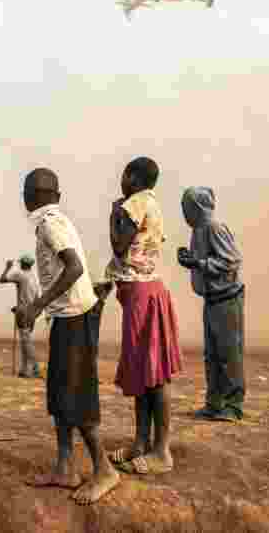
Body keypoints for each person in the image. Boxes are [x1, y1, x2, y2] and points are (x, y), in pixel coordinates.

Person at [17, 168, 119, 506]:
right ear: (55, 195)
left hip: (74, 317)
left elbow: (73, 267)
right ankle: (64, 467)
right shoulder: (56, 220)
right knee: (60, 394)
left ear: (29, 196)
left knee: (75, 395)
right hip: (68, 316)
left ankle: (104, 470)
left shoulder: (50, 223)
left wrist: (35, 306)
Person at [104, 157, 183, 476]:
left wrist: (114, 214)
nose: (120, 180)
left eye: (123, 175)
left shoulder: (134, 203)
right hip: (145, 292)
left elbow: (119, 245)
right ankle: (141, 442)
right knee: (144, 374)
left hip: (142, 294)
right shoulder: (151, 203)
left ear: (133, 177)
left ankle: (161, 451)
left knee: (155, 377)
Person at [178, 186, 246, 422]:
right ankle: (215, 404)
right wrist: (192, 261)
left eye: (185, 207)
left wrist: (199, 263)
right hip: (213, 299)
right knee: (213, 355)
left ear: (196, 207)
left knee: (229, 354)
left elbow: (231, 261)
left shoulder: (214, 228)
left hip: (227, 298)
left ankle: (233, 406)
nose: (183, 212)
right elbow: (205, 262)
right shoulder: (198, 230)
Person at [0, 254, 42, 378]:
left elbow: (2, 279)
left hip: (23, 311)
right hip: (32, 310)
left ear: (22, 264)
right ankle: (25, 370)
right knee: (25, 340)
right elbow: (36, 297)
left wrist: (7, 267)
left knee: (26, 341)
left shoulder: (20, 274)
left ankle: (35, 368)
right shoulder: (34, 277)